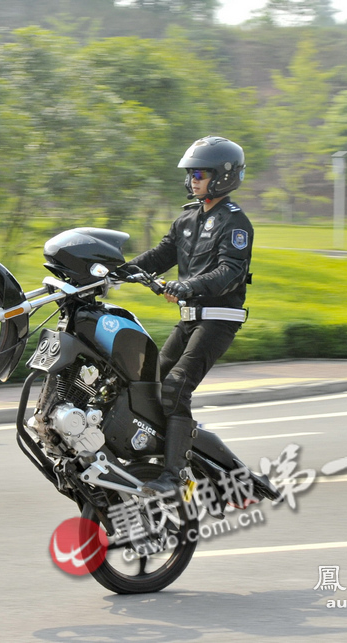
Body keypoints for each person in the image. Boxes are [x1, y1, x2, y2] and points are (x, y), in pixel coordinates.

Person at [127, 136, 252, 495]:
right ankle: (163, 454)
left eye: (200, 173)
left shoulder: (236, 224)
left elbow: (229, 272)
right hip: (189, 317)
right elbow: (158, 256)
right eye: (190, 173)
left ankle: (176, 474)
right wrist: (115, 272)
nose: (193, 179)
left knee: (176, 386)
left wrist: (186, 286)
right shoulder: (186, 219)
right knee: (151, 383)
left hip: (219, 318)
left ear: (223, 176)